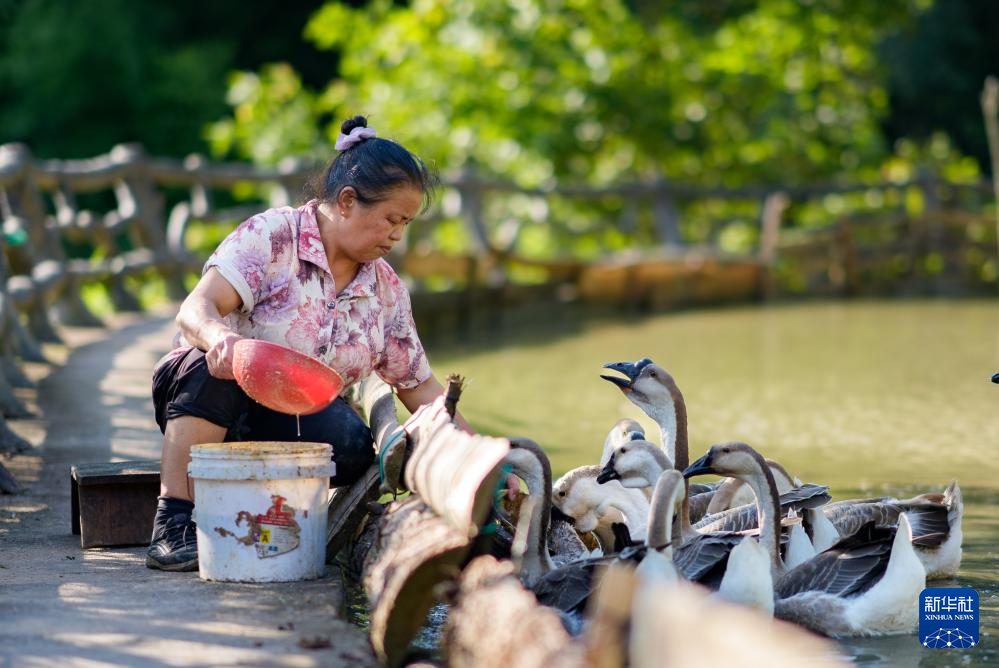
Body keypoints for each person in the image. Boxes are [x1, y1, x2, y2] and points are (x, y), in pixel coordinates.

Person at [147, 116, 470, 571]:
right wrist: (222, 340)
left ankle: (275, 516)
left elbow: (421, 389)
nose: (398, 234)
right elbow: (195, 309)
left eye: (406, 223)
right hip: (212, 396)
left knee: (355, 444)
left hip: (293, 415)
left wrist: (482, 456)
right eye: (391, 219)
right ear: (347, 201)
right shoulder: (273, 236)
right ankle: (174, 521)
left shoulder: (386, 290)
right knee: (213, 370)